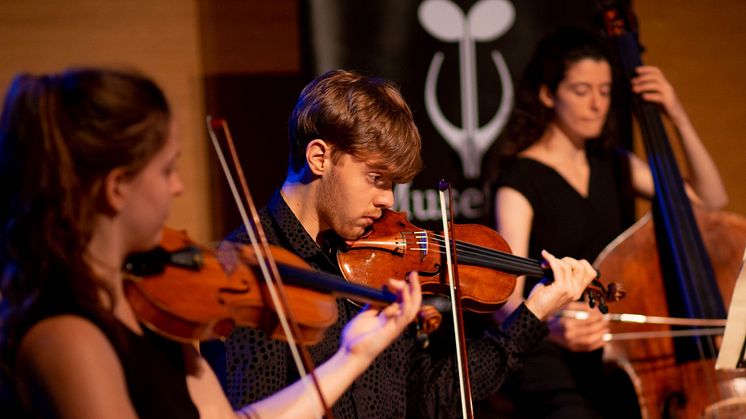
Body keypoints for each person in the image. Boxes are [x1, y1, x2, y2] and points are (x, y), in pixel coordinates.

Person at [0, 68, 426, 419]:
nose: (179, 187)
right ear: (117, 188)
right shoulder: (67, 338)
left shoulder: (157, 312)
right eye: (167, 170)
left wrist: (353, 355)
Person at [218, 69, 599, 418]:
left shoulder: (371, 261)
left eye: (392, 185)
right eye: (376, 178)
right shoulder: (250, 276)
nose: (388, 201)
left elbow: (436, 395)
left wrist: (531, 315)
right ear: (319, 157)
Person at [490, 26, 728, 418]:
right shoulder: (520, 180)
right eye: (581, 91)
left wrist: (677, 115)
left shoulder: (616, 165)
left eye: (604, 91)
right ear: (549, 95)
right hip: (550, 353)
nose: (597, 104)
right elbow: (507, 302)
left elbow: (711, 203)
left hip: (617, 352)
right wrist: (551, 329)